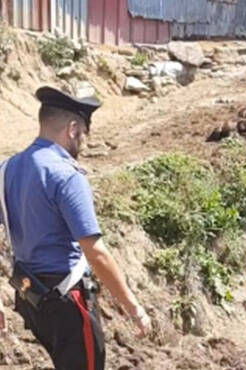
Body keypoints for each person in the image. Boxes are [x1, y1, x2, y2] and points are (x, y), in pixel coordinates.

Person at [0, 86, 151, 370]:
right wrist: (134, 309)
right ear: (72, 129)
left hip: (29, 296)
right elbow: (96, 253)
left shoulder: (6, 169)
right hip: (69, 302)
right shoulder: (67, 176)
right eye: (83, 133)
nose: (83, 143)